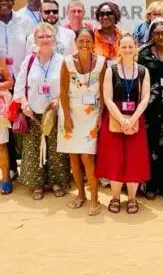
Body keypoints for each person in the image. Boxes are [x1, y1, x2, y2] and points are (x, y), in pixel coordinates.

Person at [95, 33, 150, 214]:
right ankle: (116, 197)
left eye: (130, 46)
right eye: (124, 47)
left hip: (136, 119)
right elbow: (107, 98)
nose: (127, 50)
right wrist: (122, 119)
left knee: (134, 160)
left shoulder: (142, 71)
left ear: (135, 48)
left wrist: (132, 120)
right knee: (115, 159)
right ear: (119, 49)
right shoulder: (111, 70)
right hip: (114, 118)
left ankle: (132, 198)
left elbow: (145, 98)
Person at [14, 23, 70, 200]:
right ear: (35, 40)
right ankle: (37, 183)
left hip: (54, 113)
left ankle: (56, 182)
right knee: (33, 149)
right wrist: (24, 104)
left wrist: (59, 100)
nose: (45, 40)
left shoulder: (62, 61)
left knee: (55, 150)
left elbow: (68, 87)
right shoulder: (29, 61)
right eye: (41, 37)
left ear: (54, 38)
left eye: (48, 36)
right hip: (33, 113)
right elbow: (20, 85)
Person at [58, 28, 106, 216]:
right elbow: (63, 90)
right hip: (71, 114)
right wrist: (67, 117)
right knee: (74, 156)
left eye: (88, 41)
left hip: (92, 114)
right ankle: (80, 194)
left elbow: (103, 91)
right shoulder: (67, 62)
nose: (84, 44)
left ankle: (94, 197)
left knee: (87, 156)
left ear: (93, 42)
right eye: (81, 41)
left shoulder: (101, 62)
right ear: (75, 42)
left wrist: (101, 115)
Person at [138, 19, 163, 200]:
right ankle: (151, 185)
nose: (161, 36)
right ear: (151, 35)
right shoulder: (143, 54)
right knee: (151, 145)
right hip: (150, 107)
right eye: (156, 33)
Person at [0, 0, 31, 179]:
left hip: (22, 81)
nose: (4, 3)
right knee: (5, 128)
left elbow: (31, 50)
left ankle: (29, 170)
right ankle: (10, 169)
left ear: (13, 1)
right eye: (0, 0)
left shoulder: (24, 22)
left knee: (25, 125)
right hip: (2, 86)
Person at [0, 57, 14, 195]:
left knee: (1, 145)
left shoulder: (0, 60)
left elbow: (10, 82)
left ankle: (5, 179)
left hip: (0, 108)